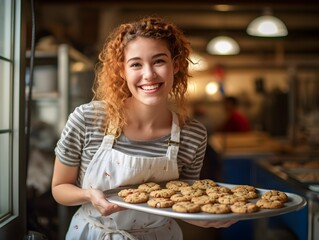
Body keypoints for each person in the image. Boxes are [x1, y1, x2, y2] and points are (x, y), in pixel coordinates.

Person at [51, 16, 236, 240]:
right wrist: (89, 195)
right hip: (94, 234)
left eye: (159, 61)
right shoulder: (88, 119)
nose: (149, 74)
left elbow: (182, 200)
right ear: (122, 70)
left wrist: (205, 218)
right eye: (136, 64)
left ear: (175, 65)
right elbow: (60, 188)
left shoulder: (192, 134)